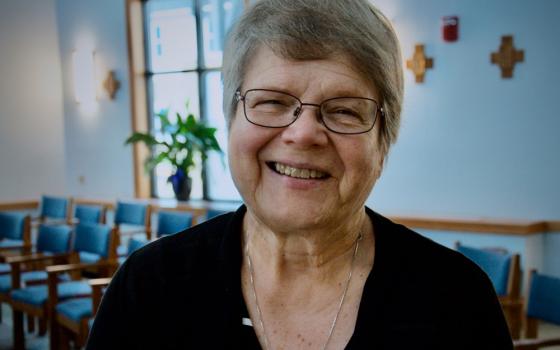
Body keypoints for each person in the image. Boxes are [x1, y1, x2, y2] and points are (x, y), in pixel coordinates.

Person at [87, 0, 513, 349]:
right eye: (272, 102)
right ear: (230, 118)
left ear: (384, 141)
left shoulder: (456, 299)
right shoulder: (149, 288)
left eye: (345, 110)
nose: (304, 133)